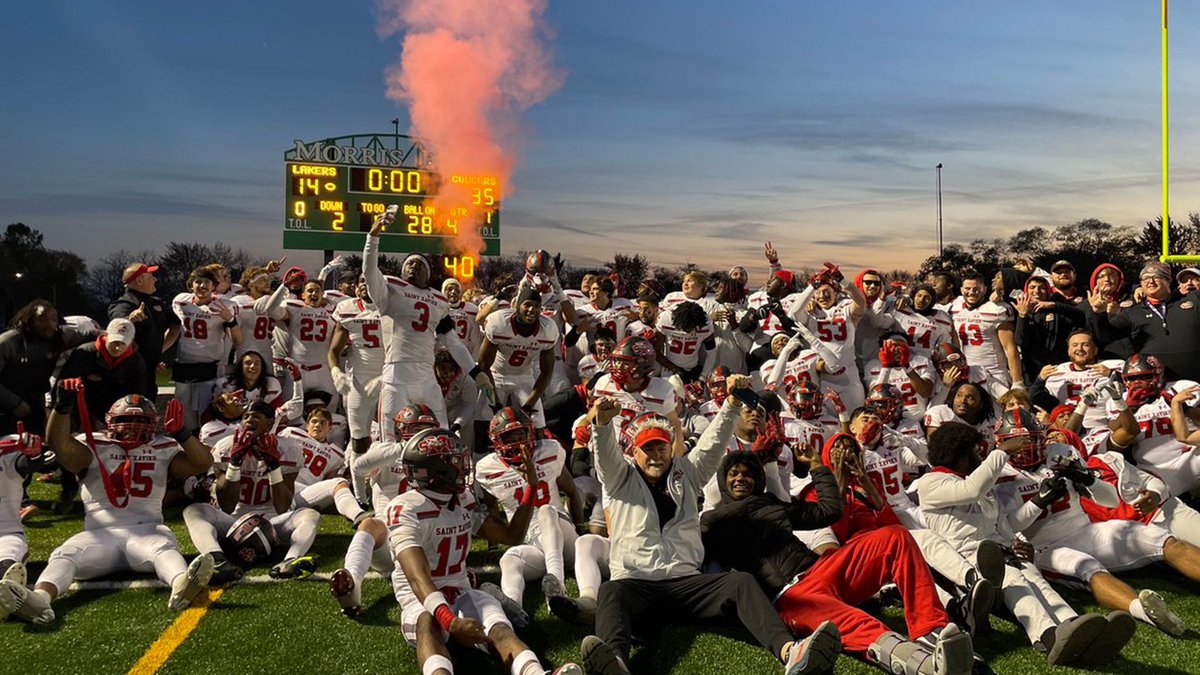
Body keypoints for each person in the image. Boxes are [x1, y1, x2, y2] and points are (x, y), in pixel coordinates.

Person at [579, 380, 843, 675]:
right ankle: (615, 665)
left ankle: (791, 652)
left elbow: (713, 445)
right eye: (648, 448)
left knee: (740, 582)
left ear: (670, 449)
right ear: (634, 453)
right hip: (637, 583)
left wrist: (731, 405)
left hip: (686, 583)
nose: (656, 455)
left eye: (661, 447)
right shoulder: (619, 480)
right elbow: (604, 459)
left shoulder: (687, 474)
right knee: (612, 591)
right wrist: (602, 425)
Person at [702, 450, 974, 675]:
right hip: (790, 596)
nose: (741, 479)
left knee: (895, 537)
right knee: (858, 623)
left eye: (748, 474)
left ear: (758, 481)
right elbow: (697, 559)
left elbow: (829, 511)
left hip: (822, 568)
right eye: (734, 474)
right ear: (722, 481)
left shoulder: (772, 503)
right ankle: (927, 668)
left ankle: (930, 628)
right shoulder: (711, 522)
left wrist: (819, 468)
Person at [917, 422, 1135, 667]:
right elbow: (971, 490)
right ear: (961, 455)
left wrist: (1038, 502)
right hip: (969, 556)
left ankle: (1076, 629)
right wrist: (1003, 451)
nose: (980, 456)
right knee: (1016, 582)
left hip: (1002, 548)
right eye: (975, 452)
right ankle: (1048, 637)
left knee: (1039, 582)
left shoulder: (979, 483)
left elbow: (1007, 525)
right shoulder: (931, 482)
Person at [0, 388, 215, 623]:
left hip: (147, 529)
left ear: (153, 424)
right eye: (126, 421)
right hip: (99, 534)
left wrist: (182, 433)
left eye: (140, 422)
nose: (132, 428)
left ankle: (181, 583)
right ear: (110, 422)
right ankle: (40, 599)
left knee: (163, 549)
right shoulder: (93, 444)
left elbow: (202, 462)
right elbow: (59, 445)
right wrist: (63, 408)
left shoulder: (163, 446)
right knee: (64, 554)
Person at [385, 427, 583, 675]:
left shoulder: (463, 499)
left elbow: (512, 536)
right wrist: (450, 621)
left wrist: (531, 487)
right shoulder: (405, 508)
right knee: (428, 620)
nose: (462, 465)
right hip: (420, 599)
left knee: (497, 623)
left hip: (462, 591)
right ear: (436, 469)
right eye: (454, 460)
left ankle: (536, 673)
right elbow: (418, 578)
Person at [363, 210, 490, 435]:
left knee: (440, 434)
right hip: (396, 375)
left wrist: (475, 372)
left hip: (426, 375)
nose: (414, 266)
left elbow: (453, 343)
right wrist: (372, 238)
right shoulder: (390, 290)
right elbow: (370, 271)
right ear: (402, 271)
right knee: (390, 437)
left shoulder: (438, 300)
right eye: (409, 263)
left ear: (428, 275)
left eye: (420, 264)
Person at [181, 402, 321, 583]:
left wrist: (273, 467)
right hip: (234, 519)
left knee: (311, 515)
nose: (249, 420)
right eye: (246, 416)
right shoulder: (225, 447)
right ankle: (217, 560)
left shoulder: (289, 449)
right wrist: (234, 463)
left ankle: (290, 561)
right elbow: (227, 504)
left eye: (256, 416)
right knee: (193, 510)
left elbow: (282, 506)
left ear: (270, 423)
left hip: (273, 521)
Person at [330, 404, 439, 618]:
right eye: (414, 429)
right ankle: (352, 583)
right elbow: (358, 467)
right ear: (400, 431)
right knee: (369, 524)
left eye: (424, 429)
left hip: (428, 536)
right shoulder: (385, 450)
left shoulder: (438, 453)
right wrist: (399, 450)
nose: (419, 435)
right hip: (390, 537)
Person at [474, 407, 578, 621]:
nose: (516, 442)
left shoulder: (549, 450)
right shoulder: (487, 468)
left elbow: (572, 492)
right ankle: (513, 607)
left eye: (520, 434)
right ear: (496, 441)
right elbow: (492, 509)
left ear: (530, 432)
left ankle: (557, 590)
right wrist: (493, 546)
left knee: (547, 511)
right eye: (508, 437)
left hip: (562, 534)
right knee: (509, 560)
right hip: (531, 541)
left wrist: (579, 528)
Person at [1092, 260, 1200, 382]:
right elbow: (1105, 336)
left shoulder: (1193, 300)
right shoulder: (1132, 312)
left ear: (1168, 280)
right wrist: (1098, 314)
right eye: (1145, 278)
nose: (1150, 281)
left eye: (1156, 277)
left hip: (1196, 382)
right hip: (1155, 386)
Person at [170, 267, 241, 433]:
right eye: (198, 281)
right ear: (190, 285)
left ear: (214, 286)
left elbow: (238, 340)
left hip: (209, 367)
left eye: (207, 282)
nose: (202, 286)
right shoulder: (181, 301)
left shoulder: (225, 305)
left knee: (206, 416)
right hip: (184, 365)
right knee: (184, 417)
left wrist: (230, 319)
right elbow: (173, 330)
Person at [478, 286, 560, 430]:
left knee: (537, 424)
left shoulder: (548, 330)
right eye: (527, 305)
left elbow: (547, 372)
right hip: (496, 376)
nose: (532, 310)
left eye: (536, 306)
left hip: (524, 377)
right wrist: (495, 401)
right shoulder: (500, 323)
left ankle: (538, 452)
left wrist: (529, 405)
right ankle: (479, 454)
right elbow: (484, 365)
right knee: (483, 422)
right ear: (517, 306)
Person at [328, 275, 384, 455]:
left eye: (369, 280)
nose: (364, 285)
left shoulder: (391, 306)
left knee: (390, 436)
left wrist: (387, 376)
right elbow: (333, 351)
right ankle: (358, 482)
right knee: (358, 439)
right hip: (358, 380)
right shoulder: (347, 308)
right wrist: (336, 372)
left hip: (389, 378)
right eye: (361, 281)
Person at [108, 262, 179, 397]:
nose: (155, 280)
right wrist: (130, 319)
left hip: (149, 376)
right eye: (151, 276)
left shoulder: (156, 302)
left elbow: (176, 325)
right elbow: (116, 328)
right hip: (128, 377)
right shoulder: (124, 304)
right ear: (139, 280)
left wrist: (157, 352)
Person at [948, 273, 1022, 390]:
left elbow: (1010, 347)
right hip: (966, 373)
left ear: (985, 289)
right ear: (961, 290)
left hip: (994, 373)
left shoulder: (997, 309)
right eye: (967, 288)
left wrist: (1017, 382)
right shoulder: (953, 307)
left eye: (976, 289)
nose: (972, 292)